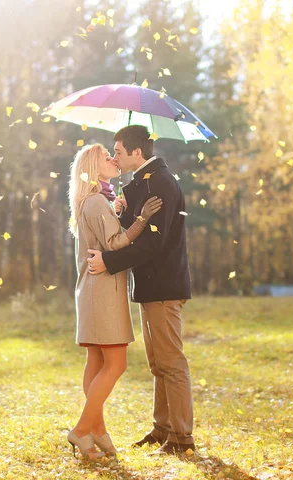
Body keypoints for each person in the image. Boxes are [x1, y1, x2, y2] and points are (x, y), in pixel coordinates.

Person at [87, 125, 195, 455]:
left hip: (163, 284)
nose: (115, 157)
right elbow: (137, 225)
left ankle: (181, 437)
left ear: (137, 153)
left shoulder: (161, 183)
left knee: (171, 362)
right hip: (150, 287)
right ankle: (162, 428)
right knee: (157, 362)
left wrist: (110, 261)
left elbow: (152, 243)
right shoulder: (142, 184)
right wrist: (124, 206)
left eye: (118, 151)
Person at [66, 143, 163, 460]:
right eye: (107, 156)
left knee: (96, 364)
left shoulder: (94, 201)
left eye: (114, 153)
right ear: (94, 167)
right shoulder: (95, 202)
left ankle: (98, 431)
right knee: (116, 363)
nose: (113, 159)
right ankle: (81, 430)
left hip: (94, 291)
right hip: (102, 292)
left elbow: (105, 236)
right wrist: (141, 218)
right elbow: (116, 242)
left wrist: (118, 213)